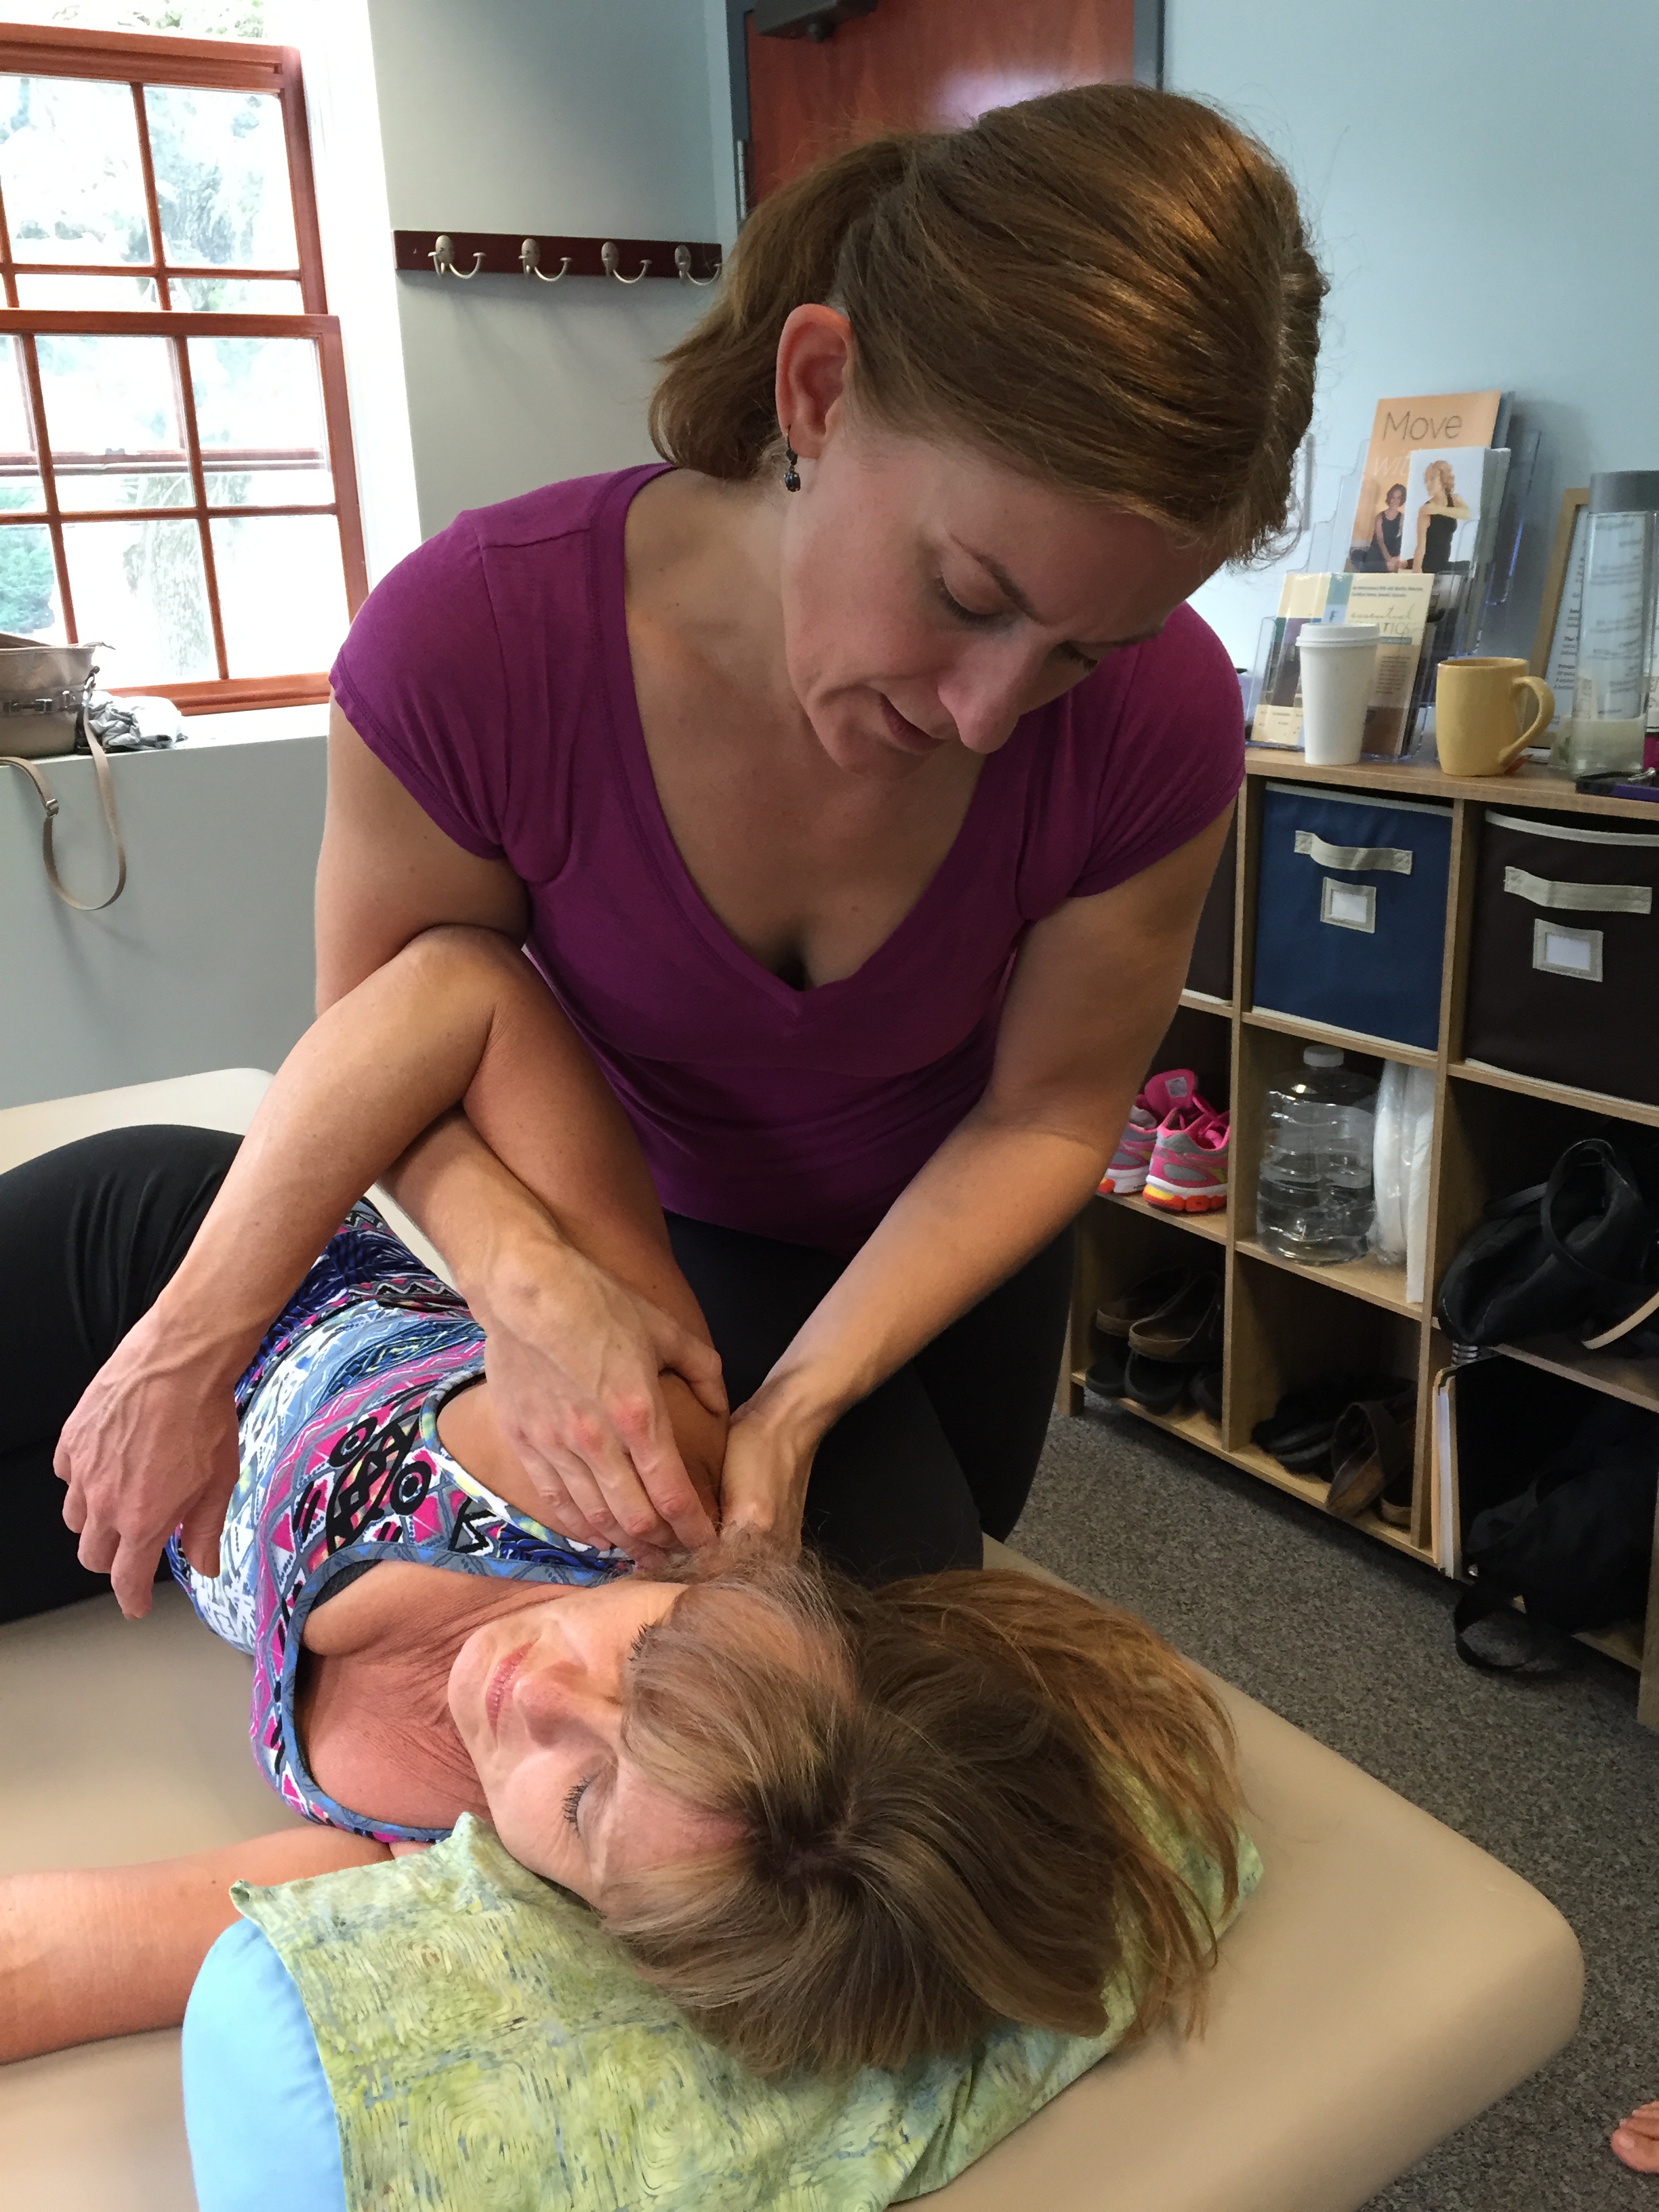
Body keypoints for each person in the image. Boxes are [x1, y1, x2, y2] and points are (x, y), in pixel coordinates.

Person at [50, 82, 1326, 1617]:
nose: (989, 716)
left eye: (1078, 651)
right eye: (969, 595)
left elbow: (1050, 1111)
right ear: (818, 390)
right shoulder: (474, 645)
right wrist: (525, 1277)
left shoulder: (1160, 715)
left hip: (950, 1238)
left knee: (921, 1583)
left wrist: (802, 1404)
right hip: (644, 1223)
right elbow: (383, 1037)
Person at [0, 932, 1242, 2079]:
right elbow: (460, 992)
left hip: (142, 1512)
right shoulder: (624, 1462)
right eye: (649, 1663)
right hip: (162, 1272)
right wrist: (502, 1273)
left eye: (584, 1802)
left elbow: (44, 1960)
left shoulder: (461, 1857)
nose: (530, 1693)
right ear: (754, 1591)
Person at [1412, 459, 1471, 573]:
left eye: (1432, 479)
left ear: (1443, 479)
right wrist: (1416, 573)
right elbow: (1420, 547)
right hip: (1430, 567)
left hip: (1444, 565)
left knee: (1470, 566)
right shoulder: (1426, 510)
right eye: (1426, 481)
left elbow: (1468, 514)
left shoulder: (1455, 499)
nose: (1428, 484)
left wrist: (1438, 510)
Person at [1372, 481, 1407, 569]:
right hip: (1380, 552)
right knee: (1385, 567)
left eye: (1399, 498)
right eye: (1393, 497)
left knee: (1403, 564)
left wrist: (1397, 558)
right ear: (1389, 498)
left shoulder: (1403, 518)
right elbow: (1380, 541)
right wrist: (1388, 559)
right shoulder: (1380, 517)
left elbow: (1404, 540)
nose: (1395, 501)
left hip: (1394, 552)